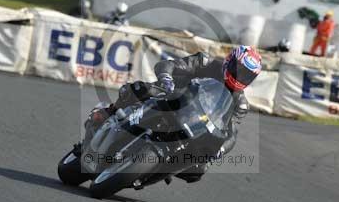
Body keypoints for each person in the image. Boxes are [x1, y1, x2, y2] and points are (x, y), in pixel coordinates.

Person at [86, 46, 263, 183]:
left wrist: (220, 149)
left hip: (195, 123)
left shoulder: (240, 103)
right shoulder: (205, 62)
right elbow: (169, 65)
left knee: (200, 168)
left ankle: (158, 171)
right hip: (170, 97)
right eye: (240, 70)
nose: (241, 77)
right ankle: (108, 112)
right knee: (138, 89)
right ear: (230, 61)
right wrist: (166, 78)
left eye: (247, 75)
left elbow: (232, 133)